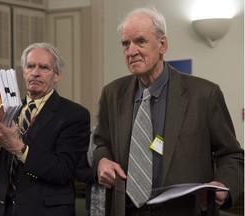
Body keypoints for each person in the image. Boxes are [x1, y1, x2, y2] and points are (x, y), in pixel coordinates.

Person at [92, 7, 244, 216]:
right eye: (125, 44)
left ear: (162, 44)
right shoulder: (112, 93)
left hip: (184, 211)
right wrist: (102, 161)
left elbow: (232, 155)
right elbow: (102, 144)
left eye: (140, 41)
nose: (131, 51)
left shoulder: (204, 95)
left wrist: (224, 185)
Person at [0, 42, 91, 216]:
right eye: (30, 66)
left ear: (57, 75)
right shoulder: (10, 108)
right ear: (24, 72)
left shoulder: (74, 115)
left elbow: (63, 170)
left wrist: (18, 148)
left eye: (44, 67)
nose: (35, 73)